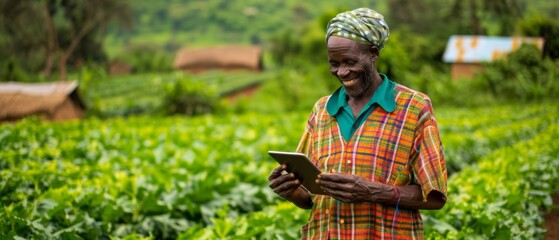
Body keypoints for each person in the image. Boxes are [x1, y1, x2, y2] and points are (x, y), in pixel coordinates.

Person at [268, 8, 447, 239]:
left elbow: (434, 197)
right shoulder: (322, 110)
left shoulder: (414, 107)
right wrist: (291, 191)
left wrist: (372, 191)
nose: (342, 72)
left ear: (373, 54)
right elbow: (310, 198)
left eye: (350, 61)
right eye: (334, 63)